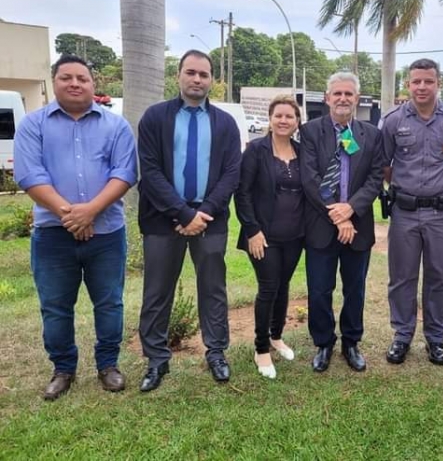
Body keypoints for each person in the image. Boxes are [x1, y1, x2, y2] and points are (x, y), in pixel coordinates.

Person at [13, 54, 137, 400]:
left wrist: (91, 212)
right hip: (53, 234)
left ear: (93, 84)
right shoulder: (33, 125)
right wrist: (71, 215)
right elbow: (29, 175)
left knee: (109, 302)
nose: (74, 83)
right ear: (54, 82)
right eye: (66, 77)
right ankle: (63, 368)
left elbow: (125, 173)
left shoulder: (116, 126)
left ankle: (108, 365)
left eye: (81, 78)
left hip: (107, 233)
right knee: (55, 305)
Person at [137, 49, 241, 392]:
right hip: (162, 219)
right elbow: (149, 172)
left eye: (204, 74)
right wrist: (183, 214)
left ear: (212, 80)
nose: (197, 79)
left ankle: (216, 353)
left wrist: (202, 213)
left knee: (213, 289)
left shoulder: (225, 123)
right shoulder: (155, 118)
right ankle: (156, 359)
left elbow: (230, 173)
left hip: (210, 219)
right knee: (157, 290)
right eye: (191, 72)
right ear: (178, 74)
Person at [381, 58, 443, 366]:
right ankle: (402, 335)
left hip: (440, 215)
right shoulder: (393, 120)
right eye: (416, 81)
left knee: (439, 277)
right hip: (404, 213)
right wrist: (406, 188)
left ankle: (436, 339)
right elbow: (384, 165)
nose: (422, 87)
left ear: (439, 83)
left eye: (428, 81)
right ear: (407, 84)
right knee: (402, 277)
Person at [300, 72, 384, 373]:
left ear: (357, 99)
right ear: (327, 98)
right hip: (321, 226)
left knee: (355, 289)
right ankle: (323, 343)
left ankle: (351, 341)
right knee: (320, 289)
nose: (343, 99)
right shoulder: (310, 132)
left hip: (358, 226)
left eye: (349, 94)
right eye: (337, 94)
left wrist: (351, 209)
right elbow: (309, 179)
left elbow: (376, 179)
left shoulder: (371, 135)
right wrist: (337, 216)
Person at [235, 96, 303, 380]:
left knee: (283, 285)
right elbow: (243, 192)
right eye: (279, 116)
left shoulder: (302, 151)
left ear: (297, 121)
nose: (284, 120)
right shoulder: (255, 151)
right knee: (268, 287)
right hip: (263, 236)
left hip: (295, 235)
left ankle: (276, 336)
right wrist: (252, 229)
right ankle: (261, 348)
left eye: (290, 116)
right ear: (270, 119)